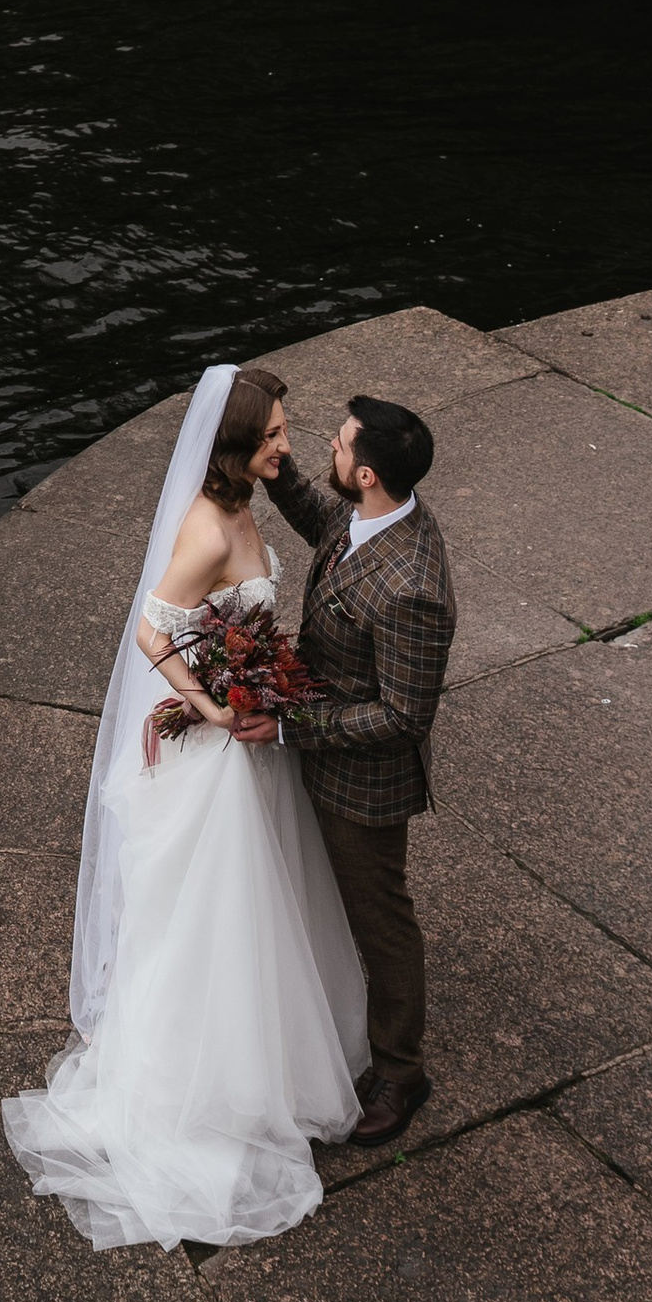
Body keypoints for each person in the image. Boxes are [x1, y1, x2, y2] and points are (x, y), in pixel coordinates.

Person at [2, 364, 367, 1252]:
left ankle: (268, 1063)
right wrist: (208, 705)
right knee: (217, 916)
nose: (288, 444)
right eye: (276, 434)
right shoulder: (207, 528)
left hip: (253, 743)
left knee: (261, 906)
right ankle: (207, 1088)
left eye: (285, 430)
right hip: (220, 756)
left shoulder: (243, 502)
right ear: (238, 445)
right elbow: (151, 629)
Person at [233, 393, 454, 1145]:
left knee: (381, 921)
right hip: (318, 743)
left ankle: (402, 1070)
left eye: (335, 442)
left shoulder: (413, 587)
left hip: (363, 784)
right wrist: (273, 465)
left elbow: (402, 716)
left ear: (365, 472)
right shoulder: (367, 512)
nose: (324, 444)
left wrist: (293, 723)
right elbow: (321, 521)